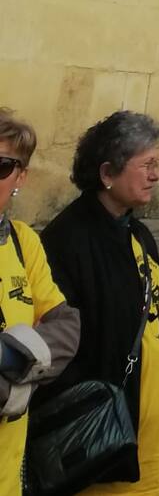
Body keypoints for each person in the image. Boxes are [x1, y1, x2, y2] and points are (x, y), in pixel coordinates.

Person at [38, 111, 159, 495]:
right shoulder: (67, 241)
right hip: (107, 453)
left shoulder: (137, 231)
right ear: (107, 173)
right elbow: (62, 346)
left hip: (156, 445)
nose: (156, 174)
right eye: (147, 164)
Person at [0, 110, 80, 496]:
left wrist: (11, 365)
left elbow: (65, 326)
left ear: (21, 177)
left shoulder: (22, 241)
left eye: (2, 166)